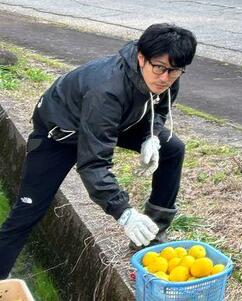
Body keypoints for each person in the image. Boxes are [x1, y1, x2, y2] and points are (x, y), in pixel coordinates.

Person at [0, 23, 196, 278]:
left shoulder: (168, 77)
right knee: (27, 212)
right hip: (61, 133)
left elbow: (158, 109)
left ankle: (150, 235)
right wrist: (125, 214)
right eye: (159, 68)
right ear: (141, 57)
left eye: (174, 71)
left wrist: (152, 135)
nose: (165, 77)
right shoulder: (106, 88)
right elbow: (93, 164)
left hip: (115, 121)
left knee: (173, 149)